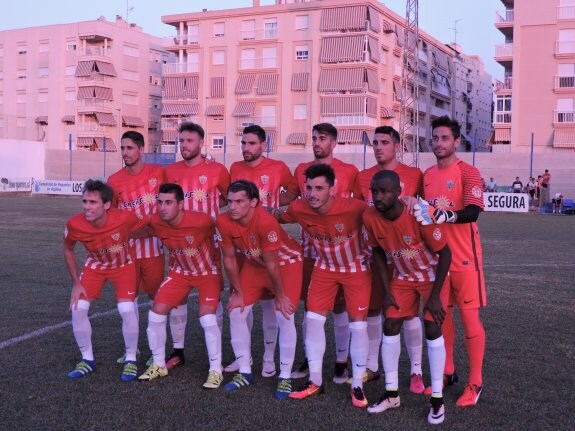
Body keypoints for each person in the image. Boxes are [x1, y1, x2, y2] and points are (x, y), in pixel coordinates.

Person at [275, 164, 372, 408]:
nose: (313, 193)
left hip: (356, 268)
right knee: (313, 321)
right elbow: (276, 215)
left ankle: (358, 385)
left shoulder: (355, 208)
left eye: (319, 188)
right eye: (309, 188)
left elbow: (384, 215)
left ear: (332, 188)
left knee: (358, 326)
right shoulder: (299, 208)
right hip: (324, 268)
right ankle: (315, 382)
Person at [363, 170, 451, 425]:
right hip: (403, 277)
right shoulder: (370, 216)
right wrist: (387, 290)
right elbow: (377, 252)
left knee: (433, 327)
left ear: (398, 193)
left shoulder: (420, 214)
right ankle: (391, 394)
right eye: (374, 191)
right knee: (390, 324)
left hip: (432, 275)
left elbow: (445, 254)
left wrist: (434, 297)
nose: (378, 196)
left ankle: (437, 399)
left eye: (384, 191)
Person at [413, 116, 486, 407]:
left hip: (466, 261)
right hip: (437, 262)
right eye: (435, 138)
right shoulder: (427, 175)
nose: (439, 143)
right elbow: (422, 213)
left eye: (445, 138)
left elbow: (473, 212)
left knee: (470, 321)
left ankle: (476, 382)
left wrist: (444, 215)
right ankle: (447, 372)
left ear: (456, 142)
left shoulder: (468, 172)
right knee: (442, 321)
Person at [353, 126, 426, 392]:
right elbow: (361, 212)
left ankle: (416, 370)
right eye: (375, 142)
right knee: (375, 308)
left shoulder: (415, 175)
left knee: (407, 314)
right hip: (377, 252)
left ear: (397, 145)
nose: (379, 147)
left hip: (408, 257)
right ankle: (372, 366)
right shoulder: (362, 177)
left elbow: (424, 213)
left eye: (385, 142)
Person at [285, 123, 359, 383]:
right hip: (310, 248)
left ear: (334, 142)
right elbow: (292, 203)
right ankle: (309, 358)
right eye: (314, 138)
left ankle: (341, 363)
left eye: (323, 138)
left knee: (340, 307)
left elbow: (359, 206)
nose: (317, 142)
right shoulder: (301, 170)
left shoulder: (350, 171)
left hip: (341, 251)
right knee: (310, 307)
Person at [216, 180, 302, 399]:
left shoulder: (266, 222)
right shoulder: (224, 221)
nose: (232, 207)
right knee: (236, 311)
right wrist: (237, 291)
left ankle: (284, 376)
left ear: (254, 202)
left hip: (285, 264)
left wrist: (281, 296)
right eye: (230, 201)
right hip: (255, 264)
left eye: (239, 202)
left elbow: (273, 264)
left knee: (284, 315)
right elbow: (229, 259)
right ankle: (245, 370)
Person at [137, 184, 223, 388]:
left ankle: (216, 371)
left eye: (168, 203)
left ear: (181, 204)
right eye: (160, 202)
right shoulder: (157, 221)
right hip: (180, 273)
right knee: (155, 314)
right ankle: (158, 364)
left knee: (208, 318)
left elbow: (222, 239)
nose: (162, 207)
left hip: (207, 273)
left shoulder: (201, 221)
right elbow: (142, 231)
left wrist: (221, 273)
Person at [226, 125, 295, 378]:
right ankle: (244, 357)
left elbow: (294, 191)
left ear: (263, 145)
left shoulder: (278, 168)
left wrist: (277, 211)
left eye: (252, 144)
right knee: (241, 303)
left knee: (269, 306)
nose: (246, 148)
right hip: (244, 245)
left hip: (269, 242)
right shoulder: (235, 168)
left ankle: (268, 359)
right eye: (243, 143)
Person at [63, 179, 145, 381]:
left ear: (107, 205)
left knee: (126, 310)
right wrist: (76, 282)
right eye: (84, 201)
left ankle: (131, 360)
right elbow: (68, 248)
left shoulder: (124, 218)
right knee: (77, 308)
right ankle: (87, 359)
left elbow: (148, 225)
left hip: (123, 265)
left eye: (92, 202)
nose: (87, 207)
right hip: (95, 267)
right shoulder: (75, 224)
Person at [164, 122, 230, 369]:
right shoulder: (170, 171)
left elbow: (227, 196)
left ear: (201, 142)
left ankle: (217, 353)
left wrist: (209, 213)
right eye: (181, 141)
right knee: (177, 297)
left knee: (212, 297)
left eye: (189, 141)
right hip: (178, 243)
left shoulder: (218, 170)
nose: (184, 145)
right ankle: (178, 351)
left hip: (208, 244)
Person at [108, 131, 166, 364]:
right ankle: (131, 350)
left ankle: (157, 351)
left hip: (153, 247)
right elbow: (111, 214)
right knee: (127, 301)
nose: (125, 153)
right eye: (122, 148)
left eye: (130, 148)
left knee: (156, 298)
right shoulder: (114, 181)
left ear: (141, 149)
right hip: (128, 251)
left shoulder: (158, 173)